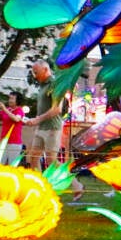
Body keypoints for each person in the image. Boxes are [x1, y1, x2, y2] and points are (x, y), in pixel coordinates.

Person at [25, 60, 83, 200]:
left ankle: (77, 186)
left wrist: (37, 119)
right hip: (41, 128)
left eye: (36, 72)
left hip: (52, 129)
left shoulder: (55, 85)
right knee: (33, 158)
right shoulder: (43, 86)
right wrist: (35, 120)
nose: (35, 75)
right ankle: (40, 188)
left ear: (45, 70)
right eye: (34, 72)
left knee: (52, 161)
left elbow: (56, 110)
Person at [0, 91, 25, 164]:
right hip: (3, 142)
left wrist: (4, 109)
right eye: (9, 98)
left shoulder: (20, 110)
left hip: (14, 143)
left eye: (12, 99)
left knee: (12, 166)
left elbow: (16, 119)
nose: (10, 100)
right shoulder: (6, 110)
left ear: (17, 101)